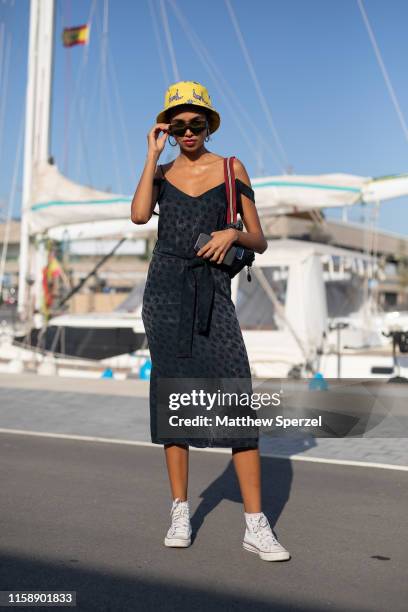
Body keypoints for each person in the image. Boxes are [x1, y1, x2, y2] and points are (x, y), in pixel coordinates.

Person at [131, 80, 290, 562]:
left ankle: (256, 526)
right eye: (177, 126)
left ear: (208, 125)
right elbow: (140, 216)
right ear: (168, 129)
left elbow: (259, 239)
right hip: (164, 294)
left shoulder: (230, 167)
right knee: (175, 403)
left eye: (195, 124)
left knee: (237, 400)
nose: (187, 132)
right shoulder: (160, 172)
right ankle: (180, 510)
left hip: (214, 294)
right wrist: (149, 156)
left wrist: (232, 234)